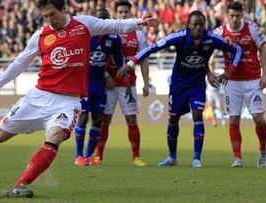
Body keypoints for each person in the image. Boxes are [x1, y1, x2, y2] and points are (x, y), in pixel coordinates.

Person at [0, 0, 158, 198]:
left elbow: (115, 25)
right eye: (45, 16)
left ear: (64, 9)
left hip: (68, 103)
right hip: (39, 97)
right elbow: (20, 62)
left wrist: (141, 21)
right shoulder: (40, 35)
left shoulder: (84, 25)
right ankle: (20, 123)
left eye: (52, 15)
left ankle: (20, 185)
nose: (50, 20)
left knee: (55, 137)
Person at [118, 10, 242, 168]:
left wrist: (230, 69)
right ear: (188, 25)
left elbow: (237, 49)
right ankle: (172, 157)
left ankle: (197, 158)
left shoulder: (211, 38)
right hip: (178, 85)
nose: (198, 28)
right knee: (173, 119)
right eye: (195, 25)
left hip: (197, 85)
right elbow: (153, 48)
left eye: (201, 25)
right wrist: (130, 64)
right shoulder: (179, 37)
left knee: (198, 115)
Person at [95, 0, 150, 167]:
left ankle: (136, 157)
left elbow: (144, 60)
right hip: (109, 84)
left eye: (126, 12)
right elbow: (98, 57)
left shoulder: (138, 35)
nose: (123, 15)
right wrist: (106, 77)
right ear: (115, 14)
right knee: (104, 120)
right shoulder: (108, 31)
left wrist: (146, 83)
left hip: (128, 85)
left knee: (131, 120)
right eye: (120, 12)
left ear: (130, 14)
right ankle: (98, 156)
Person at [214, 1, 266, 168]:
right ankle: (237, 158)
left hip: (253, 81)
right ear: (226, 15)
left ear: (242, 14)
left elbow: (263, 50)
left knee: (259, 119)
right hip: (232, 83)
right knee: (234, 120)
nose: (235, 19)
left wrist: (264, 74)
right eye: (232, 16)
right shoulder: (220, 32)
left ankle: (263, 150)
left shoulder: (251, 28)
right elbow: (207, 48)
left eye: (238, 16)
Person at [74, 8, 124, 167]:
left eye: (106, 20)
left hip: (99, 84)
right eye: (100, 20)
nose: (102, 23)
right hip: (85, 82)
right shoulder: (85, 36)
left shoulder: (114, 38)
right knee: (83, 117)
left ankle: (89, 156)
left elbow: (119, 61)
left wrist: (120, 73)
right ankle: (78, 156)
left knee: (98, 119)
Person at [206, 57, 226, 128]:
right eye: (210, 65)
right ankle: (214, 122)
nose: (212, 66)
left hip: (216, 92)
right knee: (211, 108)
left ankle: (223, 121)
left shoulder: (217, 74)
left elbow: (222, 84)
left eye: (212, 65)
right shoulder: (206, 76)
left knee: (220, 106)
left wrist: (221, 91)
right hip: (209, 93)